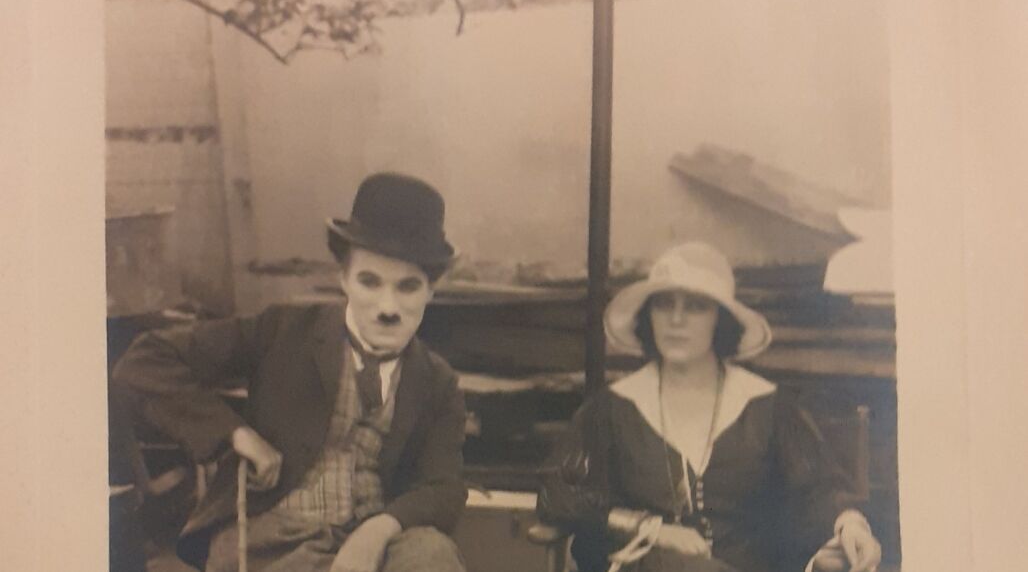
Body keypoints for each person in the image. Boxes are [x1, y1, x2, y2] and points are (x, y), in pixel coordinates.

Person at [113, 173, 468, 572]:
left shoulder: (437, 381)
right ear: (343, 279)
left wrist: (377, 531)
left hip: (376, 543)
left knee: (432, 555)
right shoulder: (283, 331)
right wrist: (234, 433)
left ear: (431, 291)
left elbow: (443, 486)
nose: (388, 308)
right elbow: (145, 360)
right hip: (276, 537)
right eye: (370, 282)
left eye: (408, 287)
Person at [537, 242, 882, 572]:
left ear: (721, 319)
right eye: (664, 304)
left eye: (696, 306)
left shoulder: (767, 407)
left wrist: (851, 526)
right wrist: (651, 529)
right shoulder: (613, 409)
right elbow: (557, 492)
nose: (676, 320)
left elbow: (819, 490)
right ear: (648, 316)